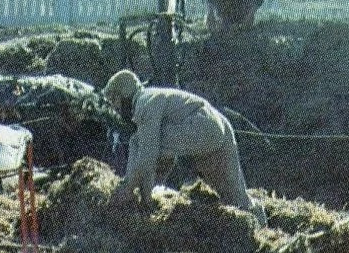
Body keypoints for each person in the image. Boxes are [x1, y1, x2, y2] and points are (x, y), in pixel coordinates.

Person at [102, 69, 267, 226]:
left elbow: (148, 156)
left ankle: (134, 191)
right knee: (236, 197)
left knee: (138, 142)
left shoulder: (144, 102)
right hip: (219, 125)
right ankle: (261, 222)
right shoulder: (155, 96)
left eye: (114, 100)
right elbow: (163, 159)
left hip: (201, 125)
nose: (115, 108)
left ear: (124, 93)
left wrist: (128, 190)